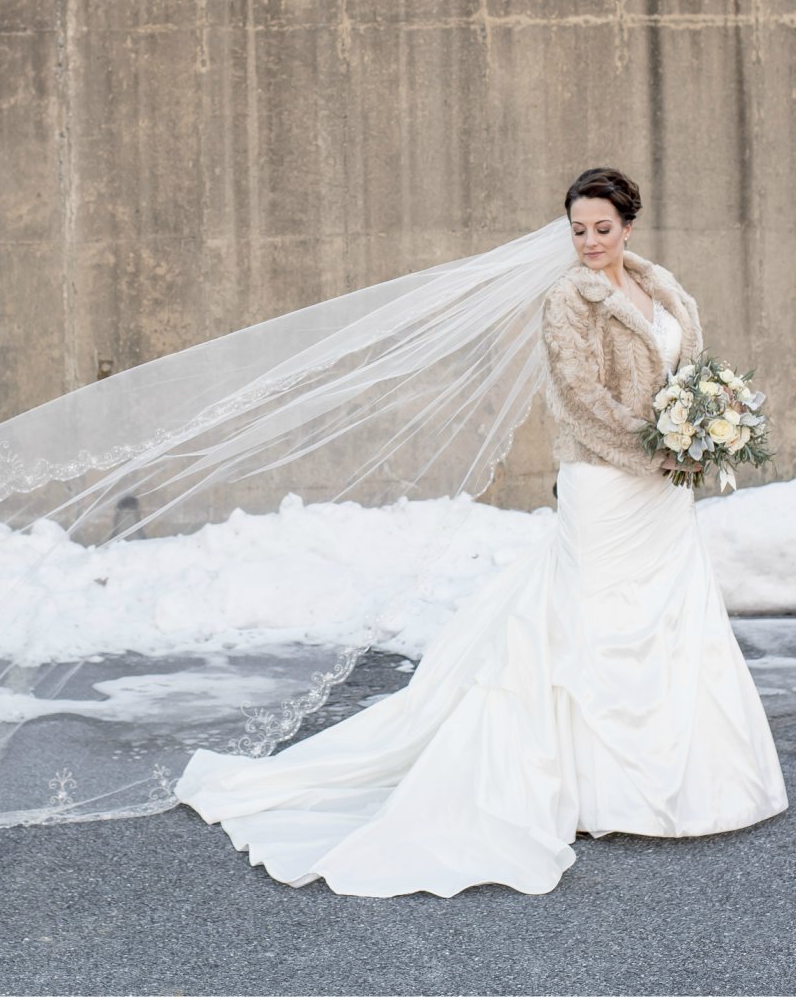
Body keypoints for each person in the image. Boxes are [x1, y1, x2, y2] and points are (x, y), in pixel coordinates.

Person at [172, 167, 789, 897]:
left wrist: (701, 428)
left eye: (602, 228)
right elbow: (579, 394)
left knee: (672, 614)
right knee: (597, 620)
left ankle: (688, 782)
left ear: (629, 225)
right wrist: (656, 444)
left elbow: (691, 373)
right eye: (578, 229)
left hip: (664, 490)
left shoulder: (664, 289)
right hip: (607, 479)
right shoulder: (568, 298)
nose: (589, 242)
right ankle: (593, 788)